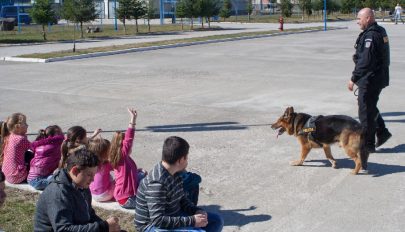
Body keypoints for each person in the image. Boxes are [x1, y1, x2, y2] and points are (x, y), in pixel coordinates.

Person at [135, 136, 224, 232]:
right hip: (151, 226)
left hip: (172, 215)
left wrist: (196, 210)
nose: (187, 161)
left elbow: (181, 198)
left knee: (217, 221)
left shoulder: (176, 172)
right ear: (180, 160)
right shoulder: (157, 183)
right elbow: (158, 220)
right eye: (187, 158)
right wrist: (192, 220)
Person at [34, 148, 121, 232]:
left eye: (94, 175)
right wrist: (103, 227)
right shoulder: (58, 193)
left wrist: (107, 227)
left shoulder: (82, 186)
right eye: (89, 175)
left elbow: (89, 215)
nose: (92, 179)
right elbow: (63, 229)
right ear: (75, 171)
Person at [348, 8, 392, 168]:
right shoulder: (379, 30)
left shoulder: (372, 35)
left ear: (368, 18)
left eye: (359, 18)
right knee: (371, 106)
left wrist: (353, 78)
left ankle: (367, 144)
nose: (357, 21)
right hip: (377, 77)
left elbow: (366, 62)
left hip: (371, 78)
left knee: (365, 111)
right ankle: (382, 132)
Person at [109, 108, 147, 209]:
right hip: (127, 200)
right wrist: (133, 119)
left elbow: (126, 172)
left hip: (123, 196)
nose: (131, 146)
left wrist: (137, 170)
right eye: (129, 146)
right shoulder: (122, 156)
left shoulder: (117, 156)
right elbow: (129, 138)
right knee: (153, 201)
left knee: (142, 174)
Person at [27, 125, 65, 190]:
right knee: (64, 181)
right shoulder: (55, 146)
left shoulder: (40, 144)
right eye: (61, 133)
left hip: (32, 178)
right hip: (38, 181)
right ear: (56, 134)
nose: (63, 134)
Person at [89, 137, 115, 202]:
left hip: (92, 194)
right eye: (109, 150)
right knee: (118, 181)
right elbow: (119, 169)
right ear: (104, 153)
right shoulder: (106, 164)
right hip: (105, 195)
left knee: (108, 176)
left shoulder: (90, 163)